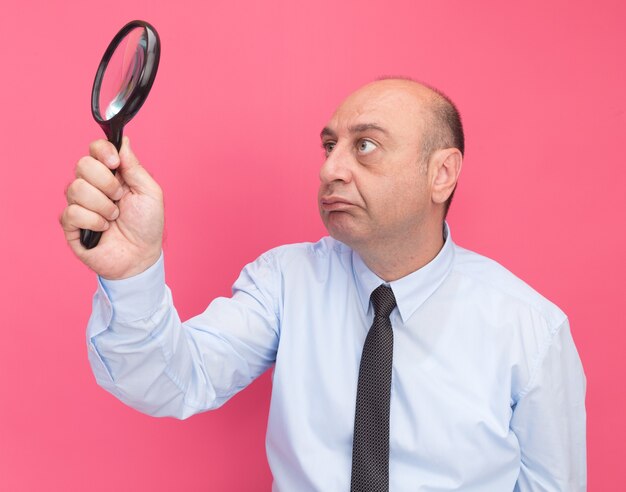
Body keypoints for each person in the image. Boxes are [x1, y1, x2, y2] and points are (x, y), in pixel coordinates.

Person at [60, 78, 586, 491]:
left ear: (441, 173)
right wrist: (133, 272)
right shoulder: (285, 282)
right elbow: (173, 380)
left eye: (366, 146)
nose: (331, 169)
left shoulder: (530, 328)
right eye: (329, 145)